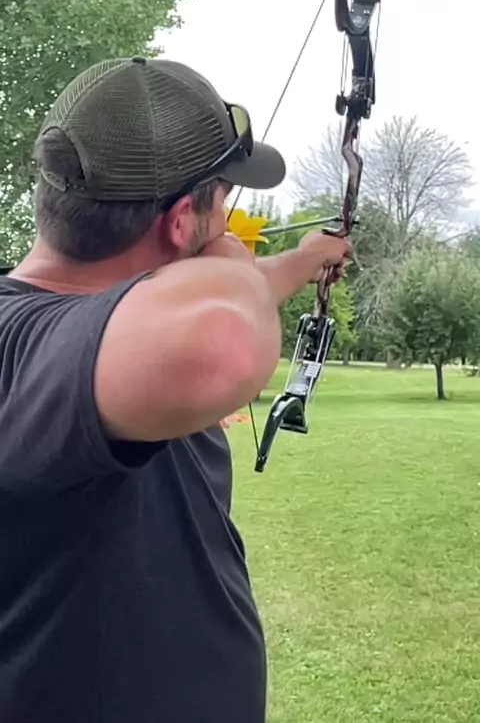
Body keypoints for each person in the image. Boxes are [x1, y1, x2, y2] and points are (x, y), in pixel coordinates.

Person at [0, 56, 351, 723]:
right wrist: (229, 255)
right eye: (223, 202)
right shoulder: (33, 345)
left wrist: (301, 261)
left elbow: (200, 299)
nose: (229, 225)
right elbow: (224, 340)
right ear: (182, 223)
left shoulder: (107, 331)